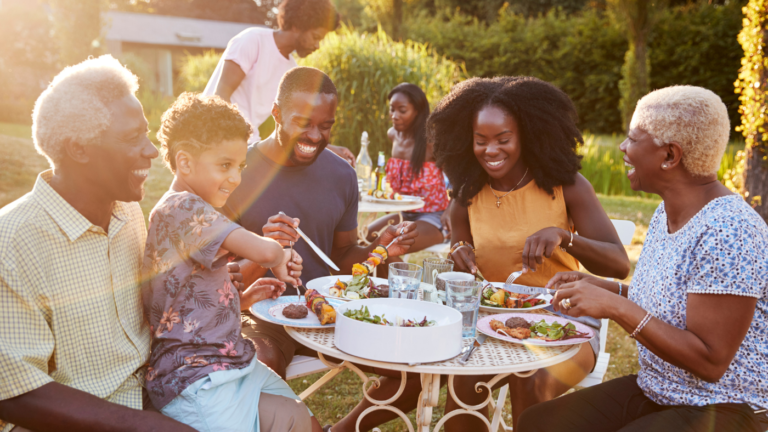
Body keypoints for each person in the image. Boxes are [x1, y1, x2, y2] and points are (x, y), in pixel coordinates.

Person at [518, 86, 768, 432]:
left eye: (633, 139)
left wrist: (615, 307)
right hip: (660, 391)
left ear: (669, 155)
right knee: (539, 424)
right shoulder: (665, 212)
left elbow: (710, 361)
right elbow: (671, 303)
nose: (623, 147)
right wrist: (605, 288)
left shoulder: (729, 231)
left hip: (725, 407)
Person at [0, 56, 200, 431]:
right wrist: (142, 426)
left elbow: (145, 307)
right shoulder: (10, 244)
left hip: (152, 395)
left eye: (146, 133)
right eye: (131, 138)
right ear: (79, 149)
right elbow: (15, 394)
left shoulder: (127, 211)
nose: (152, 151)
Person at [221, 66, 420, 432]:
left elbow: (342, 257)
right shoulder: (237, 171)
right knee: (255, 366)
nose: (315, 136)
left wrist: (379, 249)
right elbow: (218, 273)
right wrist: (265, 249)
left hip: (330, 314)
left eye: (326, 126)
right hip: (262, 315)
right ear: (276, 113)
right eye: (303, 123)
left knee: (418, 368)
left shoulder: (341, 175)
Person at [428, 76, 631, 430]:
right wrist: (458, 250)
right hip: (492, 321)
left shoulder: (565, 184)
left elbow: (619, 263)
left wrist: (565, 237)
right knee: (461, 391)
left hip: (567, 319)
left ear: (527, 135)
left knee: (530, 380)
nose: (491, 151)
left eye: (503, 140)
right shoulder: (468, 191)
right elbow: (458, 245)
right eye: (480, 141)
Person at [141, 92, 311, 431]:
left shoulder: (197, 210)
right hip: (195, 378)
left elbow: (188, 298)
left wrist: (242, 300)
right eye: (225, 165)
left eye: (240, 166)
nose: (235, 178)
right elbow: (263, 251)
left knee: (300, 418)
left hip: (230, 362)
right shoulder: (181, 209)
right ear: (185, 162)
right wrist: (280, 256)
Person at [203, 0, 355, 165]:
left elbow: (290, 126)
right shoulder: (253, 41)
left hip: (245, 145)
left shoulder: (291, 70)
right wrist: (234, 145)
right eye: (315, 37)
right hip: (213, 136)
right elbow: (220, 97)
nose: (317, 45)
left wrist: (329, 149)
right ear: (298, 25)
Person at [366, 83, 450, 274]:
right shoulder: (392, 135)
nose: (394, 116)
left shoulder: (432, 141)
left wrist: (451, 211)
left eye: (402, 110)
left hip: (432, 217)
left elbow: (458, 179)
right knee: (365, 239)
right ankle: (402, 283)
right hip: (403, 213)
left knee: (385, 245)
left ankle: (408, 285)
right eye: (391, 109)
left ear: (418, 111)